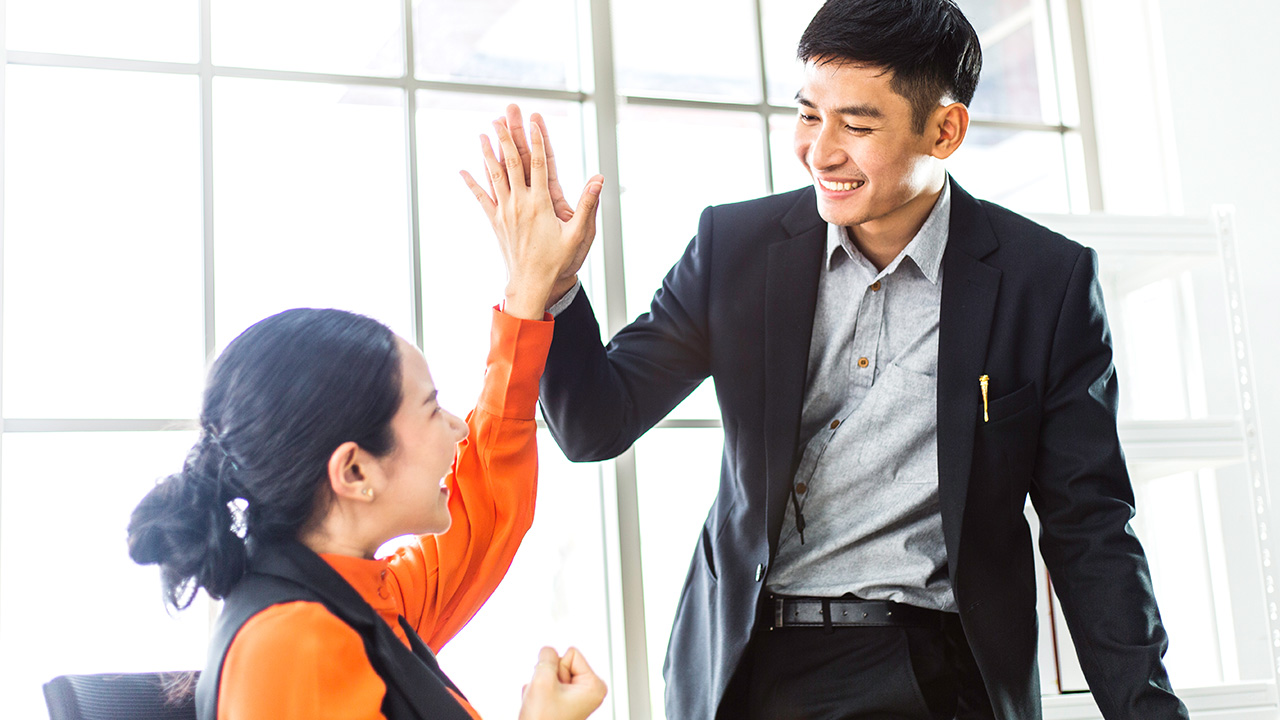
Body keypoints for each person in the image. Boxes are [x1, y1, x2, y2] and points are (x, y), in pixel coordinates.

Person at [468, 1, 1190, 718]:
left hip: (930, 669)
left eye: (858, 123)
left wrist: (1148, 710)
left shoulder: (1044, 283)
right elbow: (595, 425)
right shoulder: (737, 249)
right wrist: (550, 286)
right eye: (810, 114)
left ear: (945, 130)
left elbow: (1089, 525)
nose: (820, 150)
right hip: (745, 664)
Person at [127, 121, 608, 720]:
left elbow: (484, 506)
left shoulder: (363, 599)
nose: (458, 429)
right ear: (354, 470)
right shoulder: (293, 645)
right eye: (433, 409)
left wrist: (529, 293)